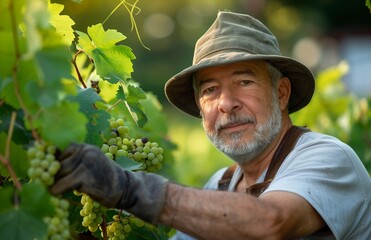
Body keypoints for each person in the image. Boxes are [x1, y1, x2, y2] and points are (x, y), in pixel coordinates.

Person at [51, 11, 371, 239]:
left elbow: (271, 223)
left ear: (281, 92)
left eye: (244, 81)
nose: (225, 103)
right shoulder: (221, 184)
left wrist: (128, 189)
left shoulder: (328, 158)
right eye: (209, 90)